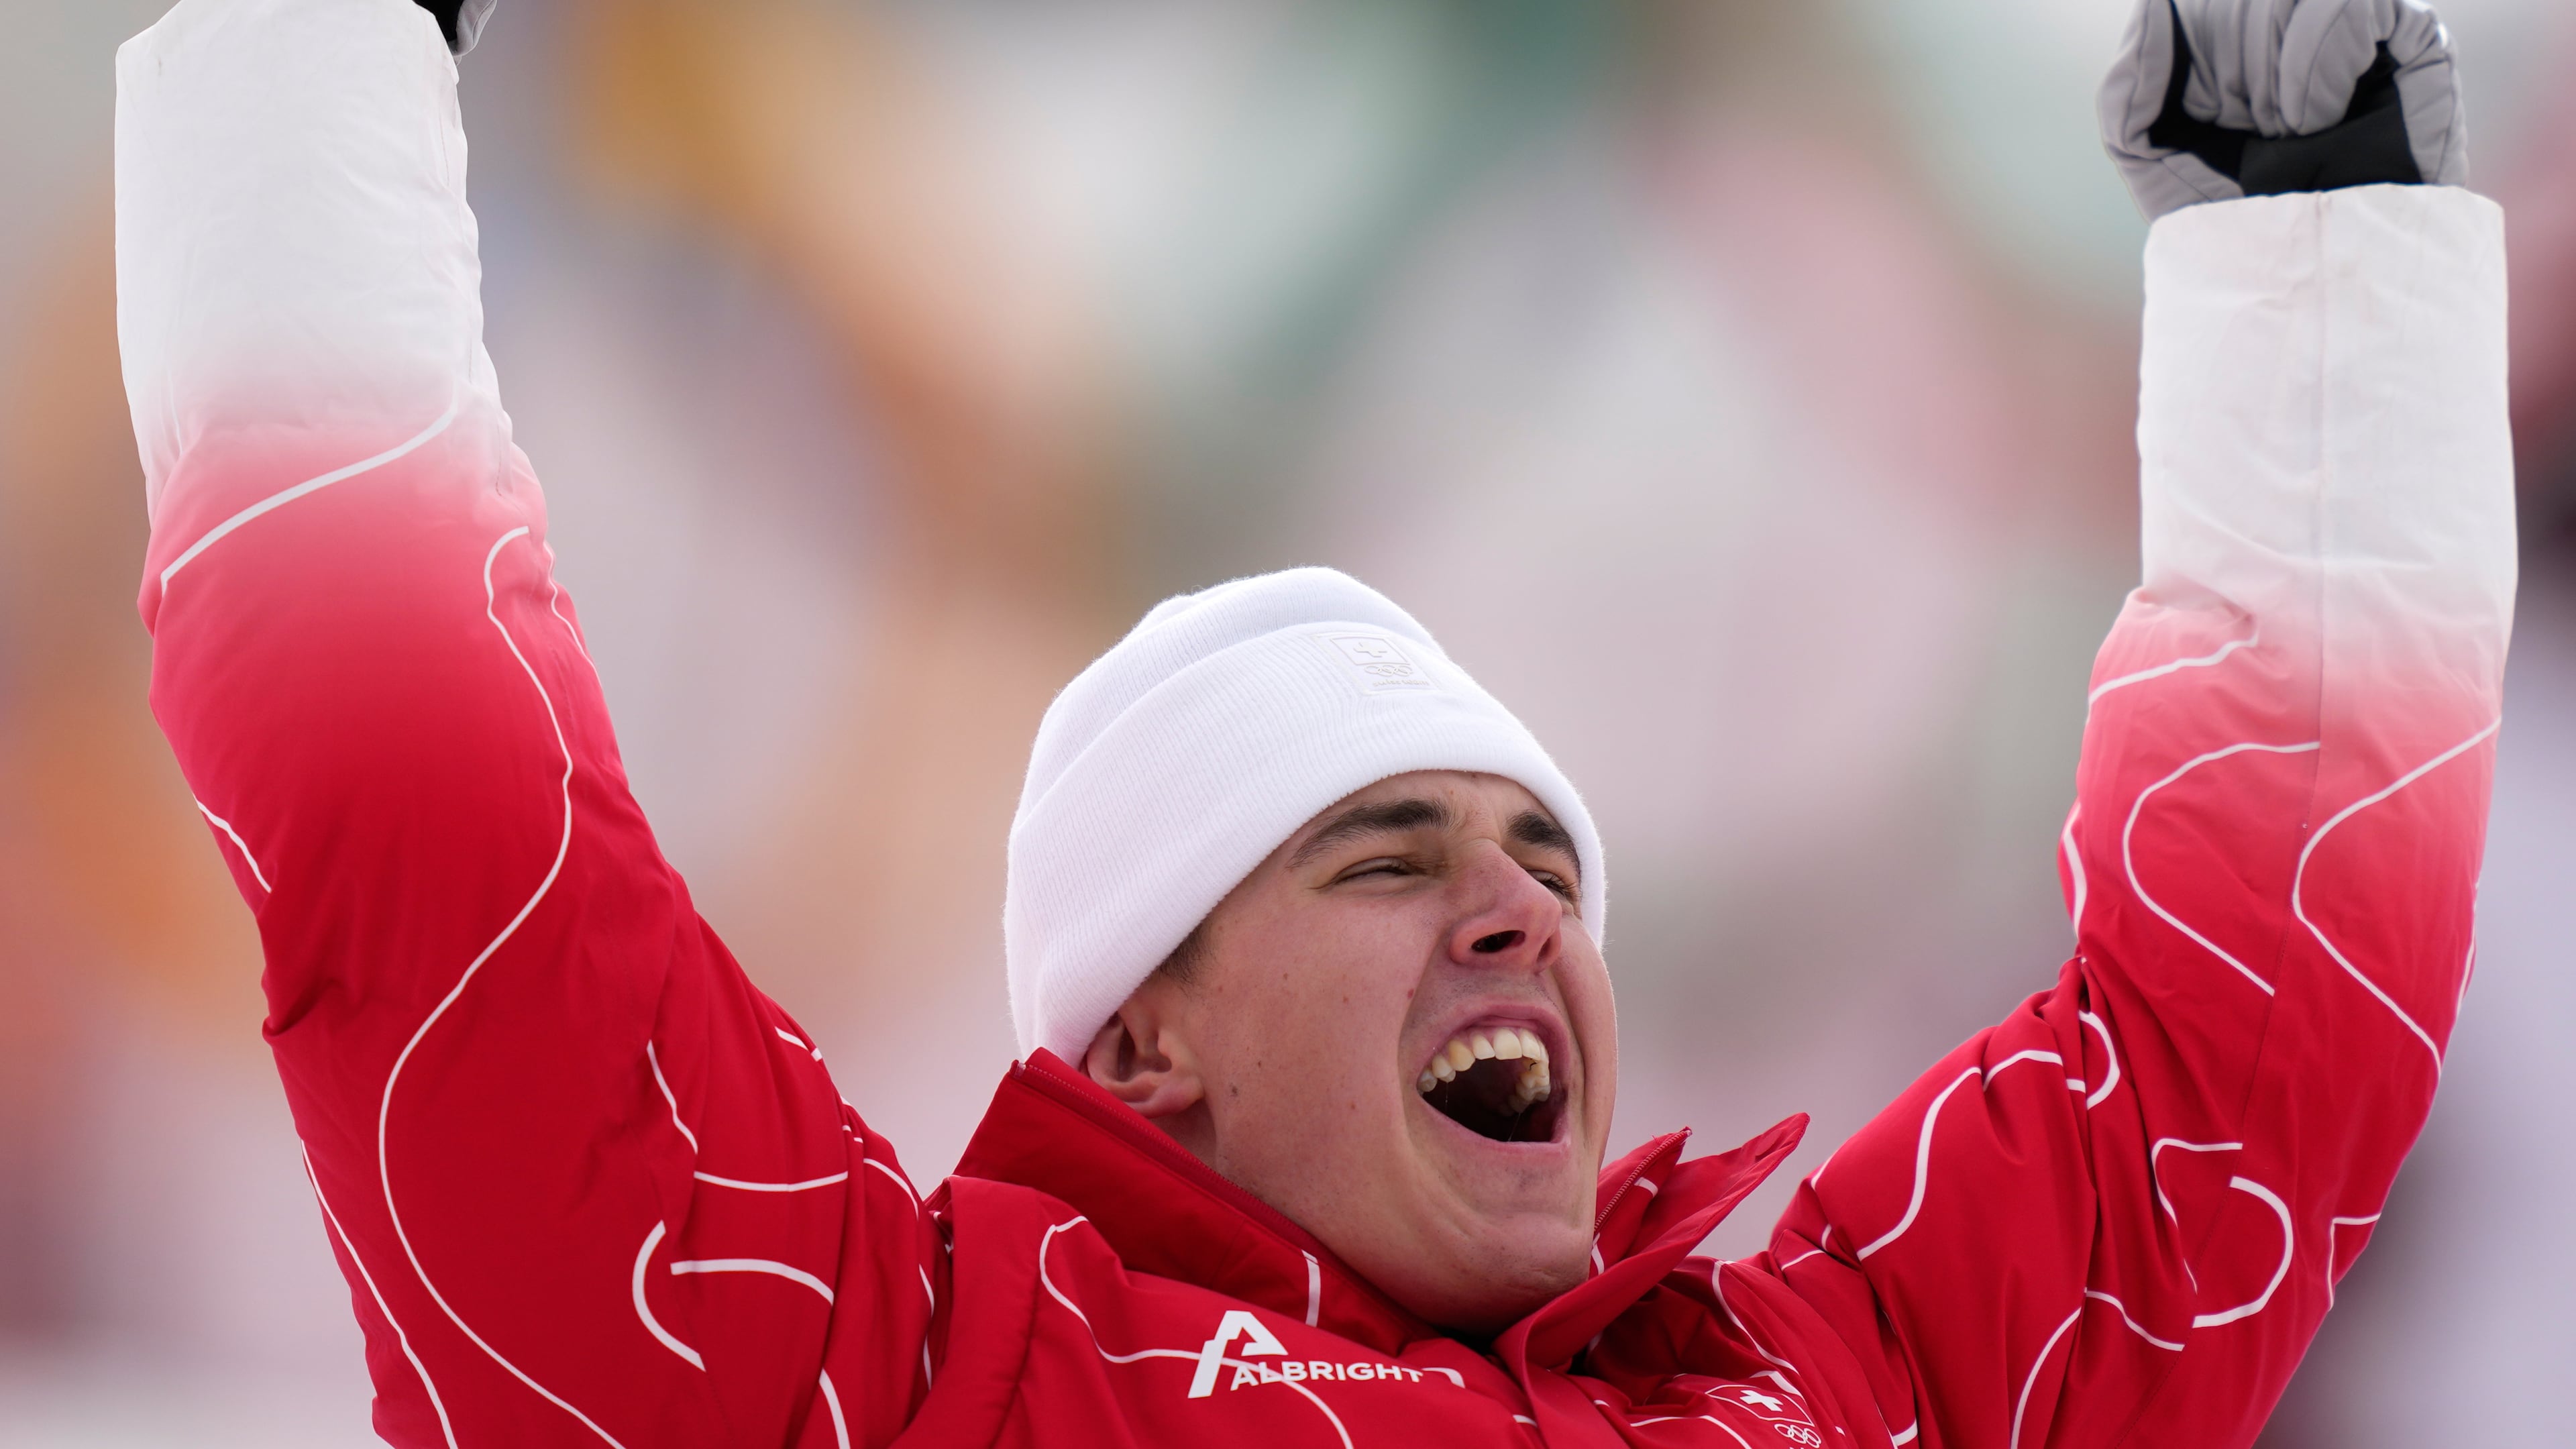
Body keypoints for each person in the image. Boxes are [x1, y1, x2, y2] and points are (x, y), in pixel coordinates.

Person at [111, 0, 2511, 1444]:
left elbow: (2255, 1029)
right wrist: (306, 53)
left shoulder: (1829, 1388)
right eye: (1381, 856)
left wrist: (2314, 236)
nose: (1516, 911)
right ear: (1141, 1046)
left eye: (1546, 860)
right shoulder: (890, 1385)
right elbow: (424, 843)